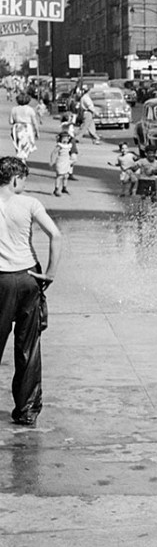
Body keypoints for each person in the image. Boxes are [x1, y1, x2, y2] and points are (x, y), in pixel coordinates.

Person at [0, 157, 62, 427]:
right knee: (28, 348)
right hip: (27, 279)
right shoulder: (29, 204)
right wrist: (49, 273)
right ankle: (26, 411)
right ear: (15, 179)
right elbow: (55, 236)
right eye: (24, 179)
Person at [9, 94, 40, 160]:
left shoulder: (14, 109)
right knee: (26, 147)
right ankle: (23, 161)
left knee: (19, 147)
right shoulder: (30, 109)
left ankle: (21, 160)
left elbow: (11, 121)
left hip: (17, 128)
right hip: (27, 128)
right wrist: (37, 132)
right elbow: (34, 122)